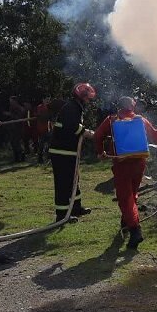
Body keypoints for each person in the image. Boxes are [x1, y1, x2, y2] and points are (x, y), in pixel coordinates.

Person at [94, 96, 157, 250]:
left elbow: (97, 135)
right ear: (133, 106)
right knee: (132, 193)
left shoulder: (112, 119)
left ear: (119, 106)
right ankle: (126, 221)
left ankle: (135, 230)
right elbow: (154, 134)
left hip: (122, 164)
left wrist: (101, 152)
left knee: (124, 197)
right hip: (139, 162)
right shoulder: (141, 120)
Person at [49, 83, 96, 222]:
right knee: (63, 182)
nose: (89, 101)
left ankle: (76, 208)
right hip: (61, 151)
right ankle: (62, 215)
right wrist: (89, 133)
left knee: (74, 180)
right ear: (81, 96)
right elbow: (73, 128)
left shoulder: (75, 107)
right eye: (87, 98)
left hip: (68, 151)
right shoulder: (71, 108)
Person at [4, 96, 25, 162]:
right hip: (12, 128)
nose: (10, 102)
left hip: (18, 128)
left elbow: (19, 118)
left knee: (17, 142)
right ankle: (16, 158)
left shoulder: (19, 108)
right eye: (10, 101)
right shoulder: (11, 107)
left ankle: (21, 157)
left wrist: (10, 114)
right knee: (13, 143)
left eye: (11, 101)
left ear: (15, 101)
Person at [35, 96, 52, 164]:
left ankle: (49, 157)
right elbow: (40, 116)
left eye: (49, 99)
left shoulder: (50, 107)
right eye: (46, 99)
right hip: (42, 128)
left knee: (50, 144)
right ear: (43, 100)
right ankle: (40, 158)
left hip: (49, 128)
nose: (47, 101)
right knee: (41, 144)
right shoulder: (40, 107)